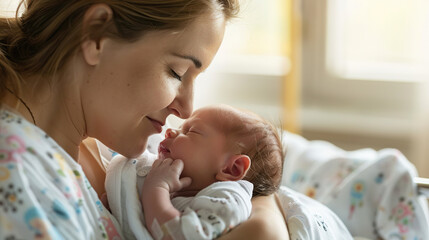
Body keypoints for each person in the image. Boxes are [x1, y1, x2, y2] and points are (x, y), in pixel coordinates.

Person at [0, 0, 289, 239]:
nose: (187, 109)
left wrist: (263, 211)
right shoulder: (18, 176)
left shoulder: (99, 131)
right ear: (97, 35)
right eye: (176, 72)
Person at [105, 104, 284, 239]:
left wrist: (156, 189)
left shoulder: (228, 200)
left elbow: (177, 234)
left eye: (190, 131)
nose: (170, 132)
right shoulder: (173, 170)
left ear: (232, 168)